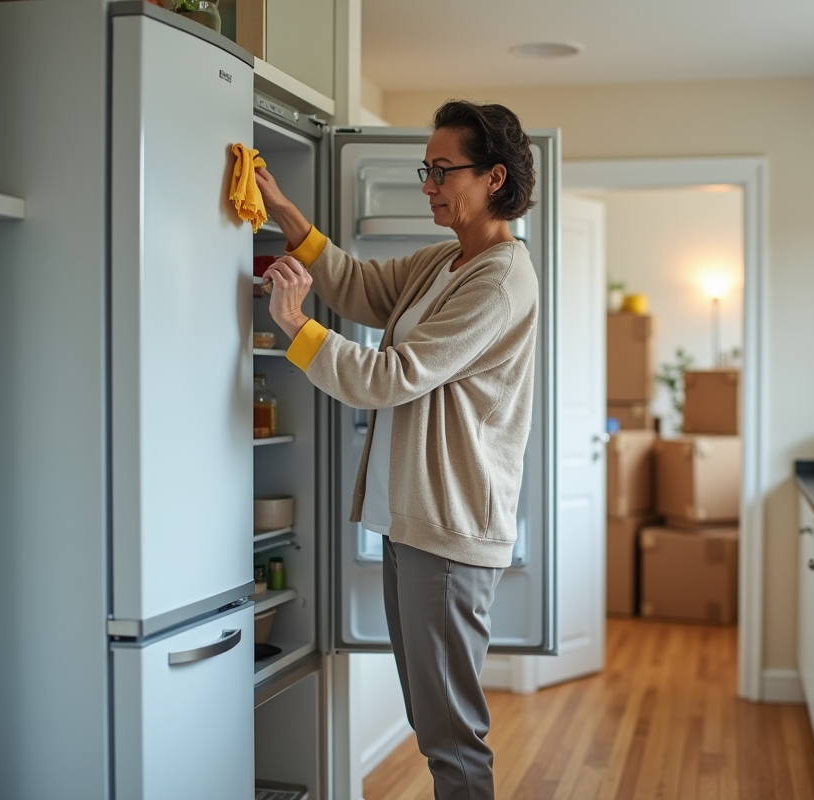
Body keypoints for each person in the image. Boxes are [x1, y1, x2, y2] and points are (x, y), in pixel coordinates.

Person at [255, 100, 538, 800]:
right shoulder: (450, 260)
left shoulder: (498, 278)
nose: (429, 185)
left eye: (443, 171)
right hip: (414, 524)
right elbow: (363, 286)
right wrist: (283, 208)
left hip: (449, 536)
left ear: (494, 176)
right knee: (434, 719)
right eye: (426, 169)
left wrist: (295, 326)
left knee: (450, 735)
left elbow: (394, 376)